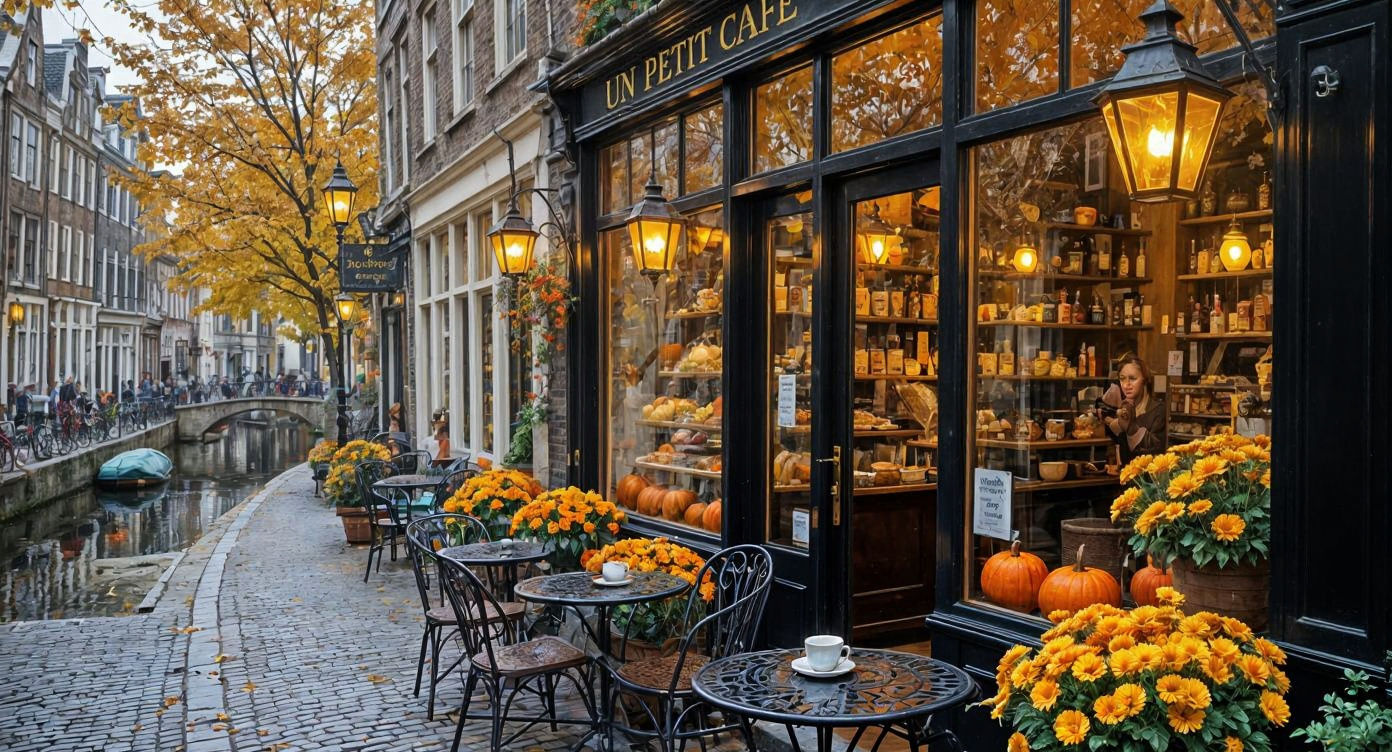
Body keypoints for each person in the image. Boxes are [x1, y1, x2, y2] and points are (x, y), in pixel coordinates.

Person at [1101, 354, 1167, 465]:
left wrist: (1132, 429)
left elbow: (1157, 449)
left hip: (1149, 478)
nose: (1126, 385)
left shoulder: (1158, 410)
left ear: (1145, 380)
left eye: (1132, 378)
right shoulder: (1124, 408)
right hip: (1126, 476)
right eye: (1122, 379)